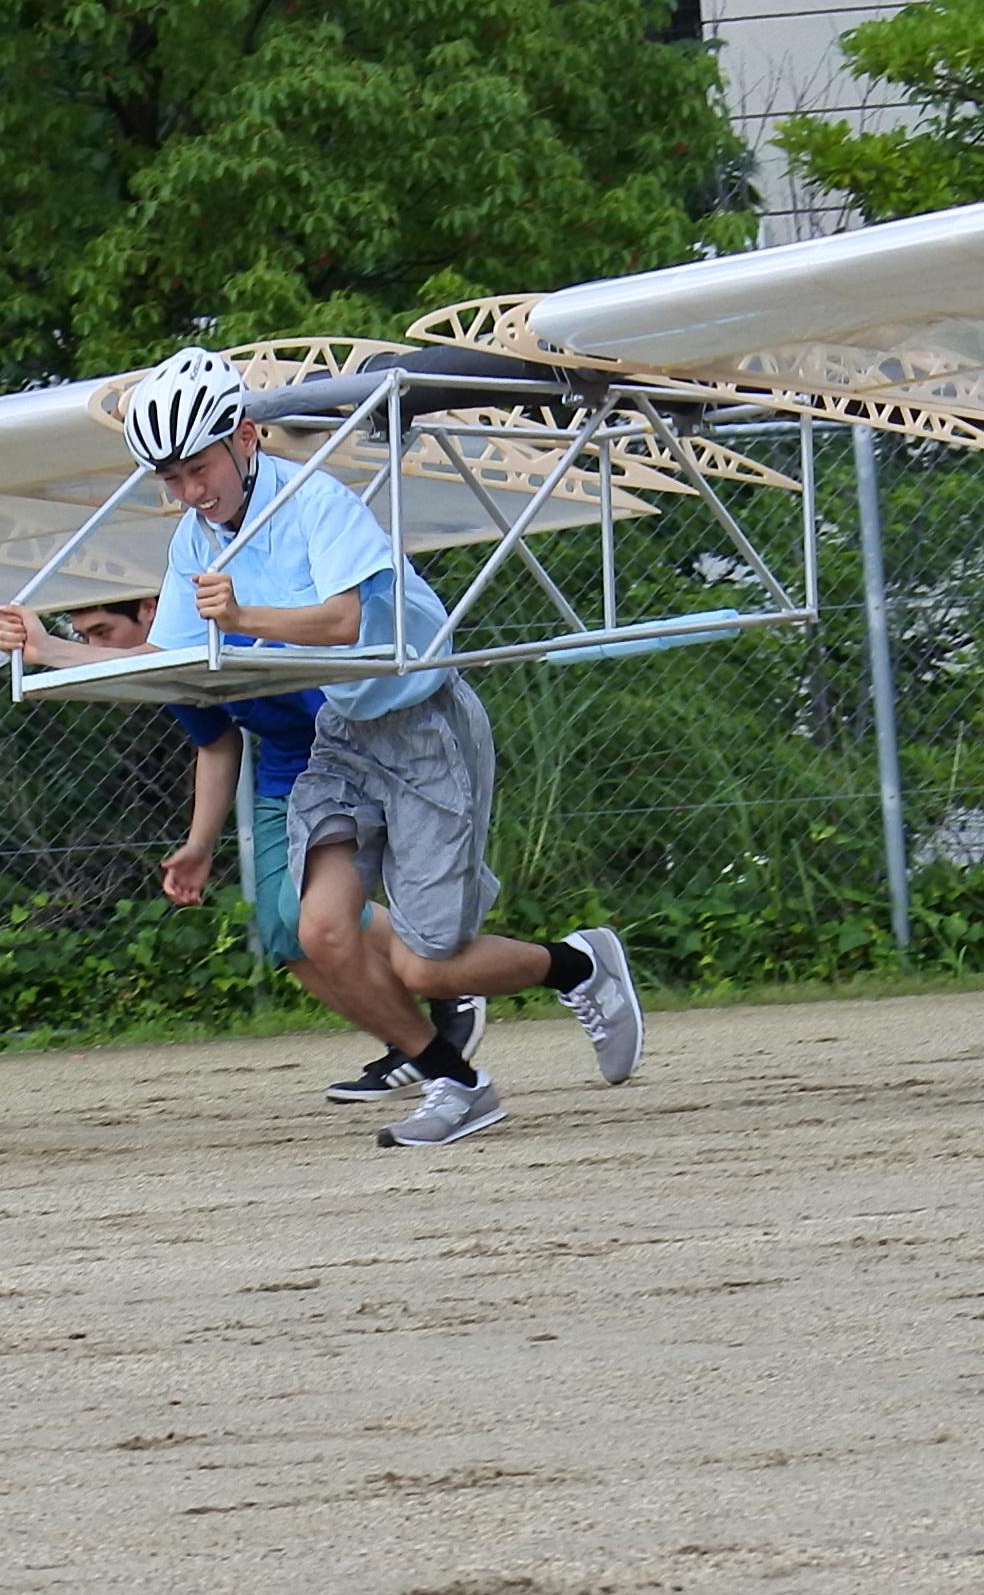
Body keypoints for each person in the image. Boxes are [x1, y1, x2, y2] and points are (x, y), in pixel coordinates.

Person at [50, 348, 637, 1147]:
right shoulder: (194, 538)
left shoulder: (314, 498)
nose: (189, 493)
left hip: (422, 724)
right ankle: (455, 1082)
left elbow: (346, 623)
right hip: (342, 736)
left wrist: (244, 613)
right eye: (171, 479)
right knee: (317, 931)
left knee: (430, 965)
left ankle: (579, 964)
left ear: (245, 437)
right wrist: (48, 653)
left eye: (196, 469)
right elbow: (175, 658)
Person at [0, 588, 473, 1104]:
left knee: (313, 917)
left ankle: (446, 969)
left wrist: (51, 650)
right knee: (283, 933)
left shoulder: (240, 627)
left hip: (355, 766)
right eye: (85, 637)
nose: (94, 645)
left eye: (103, 633)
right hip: (286, 778)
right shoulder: (176, 671)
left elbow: (357, 708)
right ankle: (414, 1047)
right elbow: (218, 743)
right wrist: (199, 845)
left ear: (152, 613)